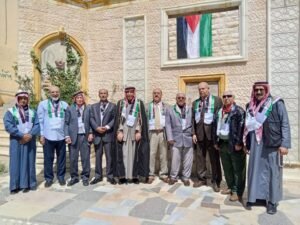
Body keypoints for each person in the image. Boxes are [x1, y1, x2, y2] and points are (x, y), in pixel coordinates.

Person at [244, 81, 291, 214]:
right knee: (255, 170)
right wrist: (247, 143)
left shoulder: (276, 103)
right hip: (255, 143)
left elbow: (285, 124)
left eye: (261, 90)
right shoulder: (250, 105)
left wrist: (284, 144)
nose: (258, 92)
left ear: (266, 90)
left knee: (272, 172)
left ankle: (272, 201)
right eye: (256, 90)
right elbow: (247, 127)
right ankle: (257, 197)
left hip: (272, 143)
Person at [3, 90, 40, 194]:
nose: (23, 100)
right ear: (17, 99)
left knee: (29, 162)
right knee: (15, 163)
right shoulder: (10, 112)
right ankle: (15, 186)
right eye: (21, 98)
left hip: (30, 140)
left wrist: (30, 135)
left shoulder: (33, 112)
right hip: (16, 140)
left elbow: (37, 124)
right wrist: (21, 135)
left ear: (27, 99)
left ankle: (28, 184)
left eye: (25, 98)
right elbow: (8, 125)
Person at [214, 91, 246, 201]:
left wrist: (239, 143)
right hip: (222, 143)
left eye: (229, 96)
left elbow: (242, 129)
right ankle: (231, 186)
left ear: (233, 98)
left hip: (234, 144)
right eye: (224, 96)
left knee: (237, 169)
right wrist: (216, 142)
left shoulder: (239, 111)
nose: (226, 98)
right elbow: (216, 127)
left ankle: (237, 191)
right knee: (227, 168)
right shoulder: (220, 111)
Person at [114, 86, 149, 184]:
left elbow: (140, 119)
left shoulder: (139, 103)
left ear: (134, 93)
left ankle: (134, 176)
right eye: (127, 92)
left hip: (134, 132)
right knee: (124, 154)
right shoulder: (121, 103)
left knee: (134, 155)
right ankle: (123, 176)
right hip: (124, 131)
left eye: (131, 92)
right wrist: (119, 131)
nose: (129, 94)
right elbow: (118, 119)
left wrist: (139, 131)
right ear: (125, 93)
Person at [192, 82, 223, 192]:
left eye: (203, 88)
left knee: (214, 159)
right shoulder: (195, 103)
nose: (201, 91)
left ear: (208, 89)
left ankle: (216, 181)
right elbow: (192, 120)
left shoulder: (217, 100)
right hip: (200, 135)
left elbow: (220, 117)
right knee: (200, 158)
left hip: (212, 135)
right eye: (199, 89)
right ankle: (201, 179)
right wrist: (193, 133)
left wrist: (218, 134)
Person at [37, 86, 68, 187]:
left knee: (61, 158)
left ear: (60, 93)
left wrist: (67, 135)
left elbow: (67, 121)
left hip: (61, 136)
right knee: (48, 159)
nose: (55, 94)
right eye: (53, 92)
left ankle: (61, 177)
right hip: (48, 136)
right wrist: (41, 135)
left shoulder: (64, 104)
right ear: (49, 93)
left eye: (57, 92)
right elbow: (40, 121)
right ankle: (49, 178)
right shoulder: (43, 104)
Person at [64, 91, 93, 186]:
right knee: (73, 158)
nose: (80, 99)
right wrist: (67, 136)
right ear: (75, 99)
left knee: (85, 158)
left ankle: (85, 177)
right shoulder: (70, 109)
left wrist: (91, 133)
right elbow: (66, 123)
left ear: (83, 99)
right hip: (73, 136)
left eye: (81, 98)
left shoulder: (88, 108)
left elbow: (92, 121)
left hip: (85, 136)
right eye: (78, 98)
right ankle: (74, 177)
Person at [165, 93, 193, 186]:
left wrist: (194, 134)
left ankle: (186, 178)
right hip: (175, 138)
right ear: (176, 99)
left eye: (182, 98)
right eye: (179, 98)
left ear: (185, 99)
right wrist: (169, 138)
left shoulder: (190, 109)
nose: (181, 99)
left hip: (188, 138)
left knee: (188, 160)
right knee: (175, 159)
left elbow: (194, 123)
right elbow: (168, 124)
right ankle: (173, 177)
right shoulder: (170, 110)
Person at [90, 89, 117, 185]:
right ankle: (98, 176)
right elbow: (91, 118)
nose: (103, 95)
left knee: (109, 157)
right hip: (97, 135)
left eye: (105, 93)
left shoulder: (113, 106)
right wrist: (96, 128)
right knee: (98, 156)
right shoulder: (93, 107)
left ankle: (110, 176)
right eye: (101, 93)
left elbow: (115, 119)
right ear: (98, 95)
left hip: (108, 134)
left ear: (107, 94)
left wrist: (106, 127)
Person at [147, 88, 168, 184]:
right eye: (154, 93)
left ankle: (163, 173)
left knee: (163, 154)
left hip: (163, 132)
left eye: (158, 93)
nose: (156, 94)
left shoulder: (166, 106)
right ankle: (151, 174)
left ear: (161, 95)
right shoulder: (148, 106)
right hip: (152, 133)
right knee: (151, 154)